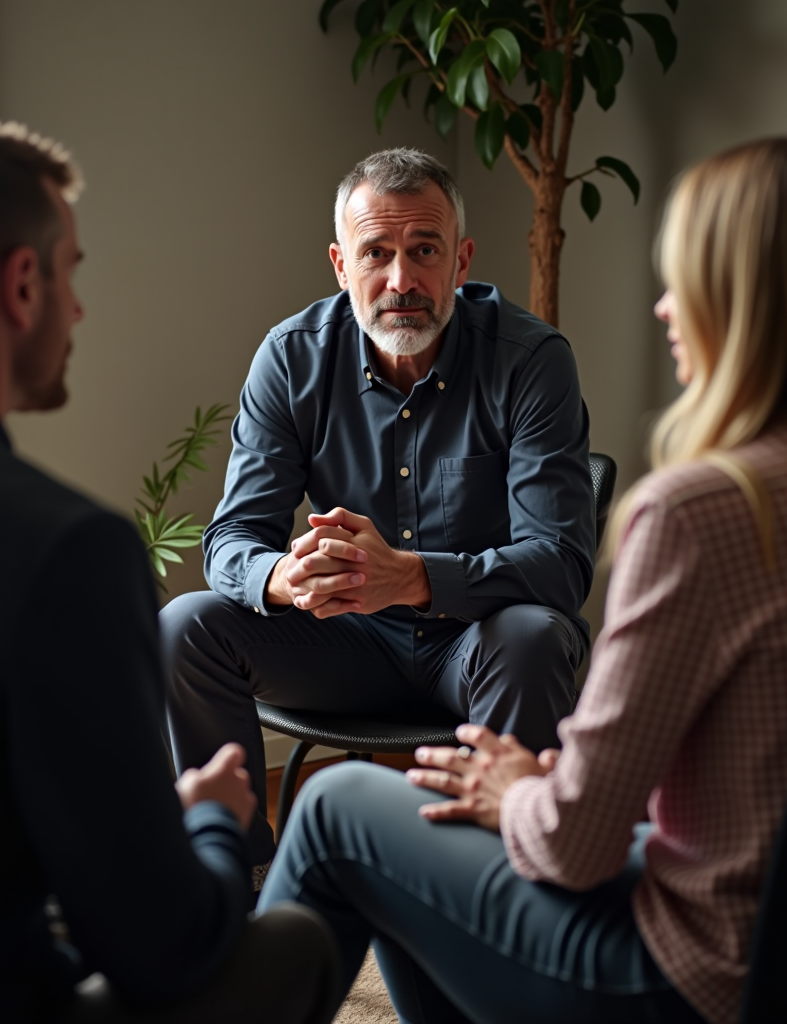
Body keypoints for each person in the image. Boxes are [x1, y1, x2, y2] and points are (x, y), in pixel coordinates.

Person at [257, 134, 787, 1024]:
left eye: (686, 279)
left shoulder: (702, 512)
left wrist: (519, 791)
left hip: (687, 976)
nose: (665, 308)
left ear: (744, 302)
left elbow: (574, 844)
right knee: (422, 837)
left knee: (338, 805)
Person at [0, 123, 337, 1023]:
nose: (78, 311)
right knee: (295, 944)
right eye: (70, 274)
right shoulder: (61, 546)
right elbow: (164, 949)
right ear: (22, 283)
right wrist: (205, 819)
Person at [161, 148, 596, 875]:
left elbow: (561, 565)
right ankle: (236, 887)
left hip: (480, 645)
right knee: (185, 627)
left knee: (533, 637)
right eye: (376, 253)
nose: (402, 281)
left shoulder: (531, 359)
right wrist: (285, 577)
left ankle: (497, 893)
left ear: (461, 260)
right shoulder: (292, 358)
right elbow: (232, 539)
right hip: (345, 644)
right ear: (341, 265)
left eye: (425, 250)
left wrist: (414, 577)